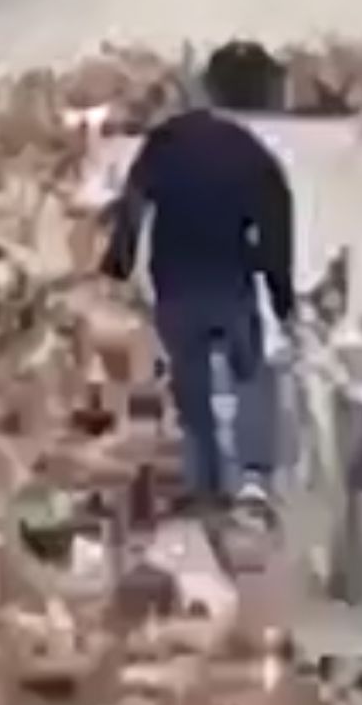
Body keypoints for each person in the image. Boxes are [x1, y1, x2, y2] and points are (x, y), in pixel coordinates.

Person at [102, 40, 298, 526]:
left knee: (191, 392)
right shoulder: (253, 154)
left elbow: (133, 204)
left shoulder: (166, 141)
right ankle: (253, 482)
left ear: (205, 87)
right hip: (231, 285)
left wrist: (117, 266)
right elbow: (276, 233)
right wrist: (282, 300)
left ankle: (204, 486)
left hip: (176, 287)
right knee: (251, 375)